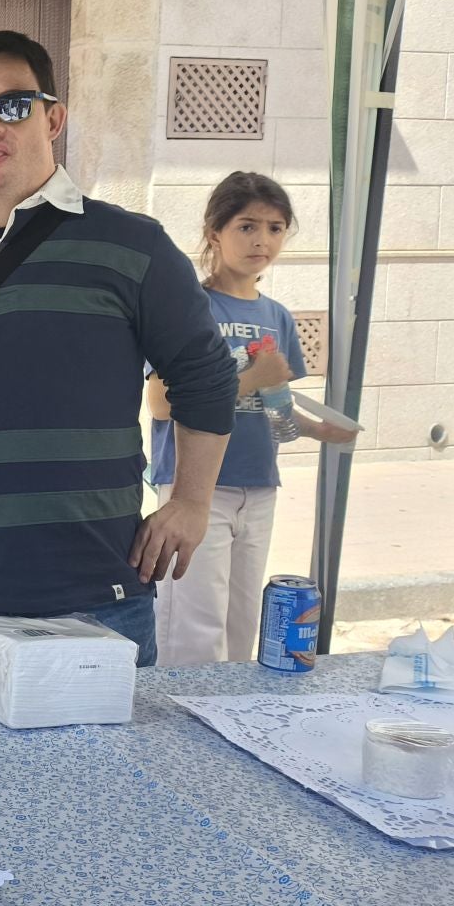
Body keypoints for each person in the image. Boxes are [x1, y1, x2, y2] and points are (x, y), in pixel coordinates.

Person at [0, 30, 236, 666]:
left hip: (103, 589)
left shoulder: (133, 245)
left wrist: (191, 502)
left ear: (55, 118)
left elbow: (205, 376)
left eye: (12, 105)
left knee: (120, 768)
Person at [147, 172, 358, 666]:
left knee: (242, 627)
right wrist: (252, 376)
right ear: (214, 232)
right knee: (192, 630)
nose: (262, 240)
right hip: (195, 489)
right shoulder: (188, 304)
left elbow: (276, 413)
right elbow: (161, 404)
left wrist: (317, 430)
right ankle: (180, 734)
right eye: (246, 226)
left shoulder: (277, 316)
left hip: (258, 485)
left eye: (276, 227)